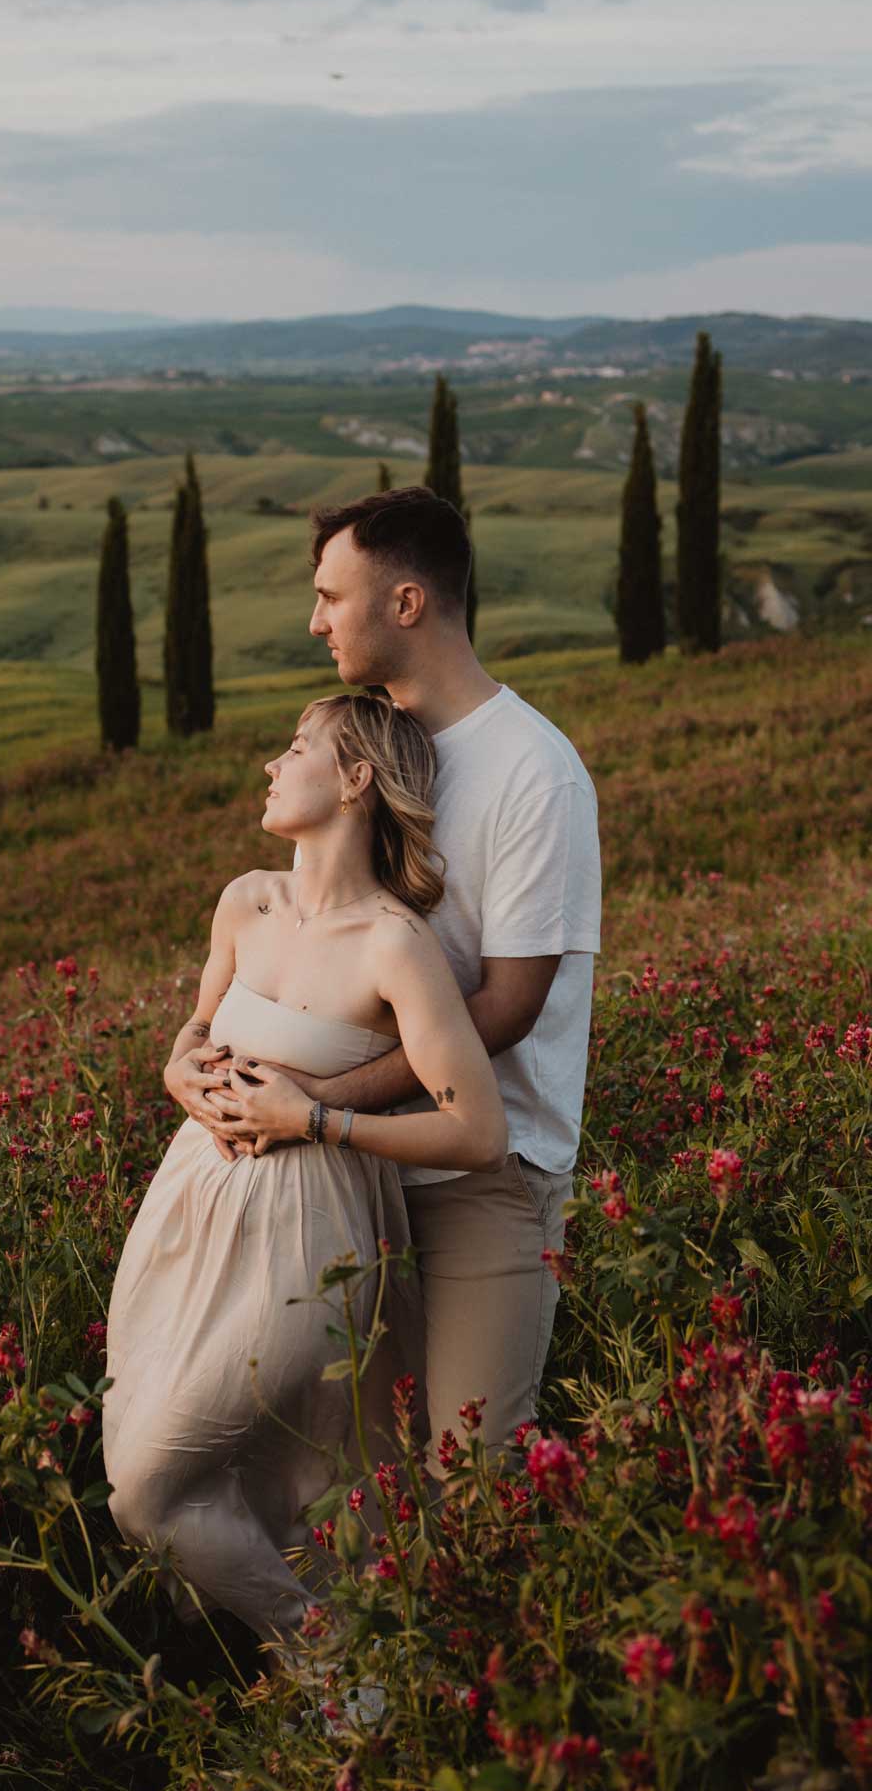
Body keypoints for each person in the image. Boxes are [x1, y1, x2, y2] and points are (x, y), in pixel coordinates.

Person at [177, 486, 601, 1474]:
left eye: (332, 595)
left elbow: (505, 1005)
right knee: (342, 1479)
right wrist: (204, 1068)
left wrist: (314, 1103)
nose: (313, 619)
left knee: (470, 1478)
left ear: (405, 604)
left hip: (477, 1182)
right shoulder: (353, 751)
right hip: (336, 1177)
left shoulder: (534, 775)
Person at [101, 692, 506, 1657]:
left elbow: (478, 1129)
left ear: (357, 779)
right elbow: (200, 1028)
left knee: (152, 1489)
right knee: (154, 1469)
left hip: (309, 1228)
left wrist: (318, 1117)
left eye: (295, 748)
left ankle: (325, 1663)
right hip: (192, 1208)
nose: (270, 767)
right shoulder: (246, 900)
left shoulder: (394, 945)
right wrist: (175, 1065)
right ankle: (352, 1693)